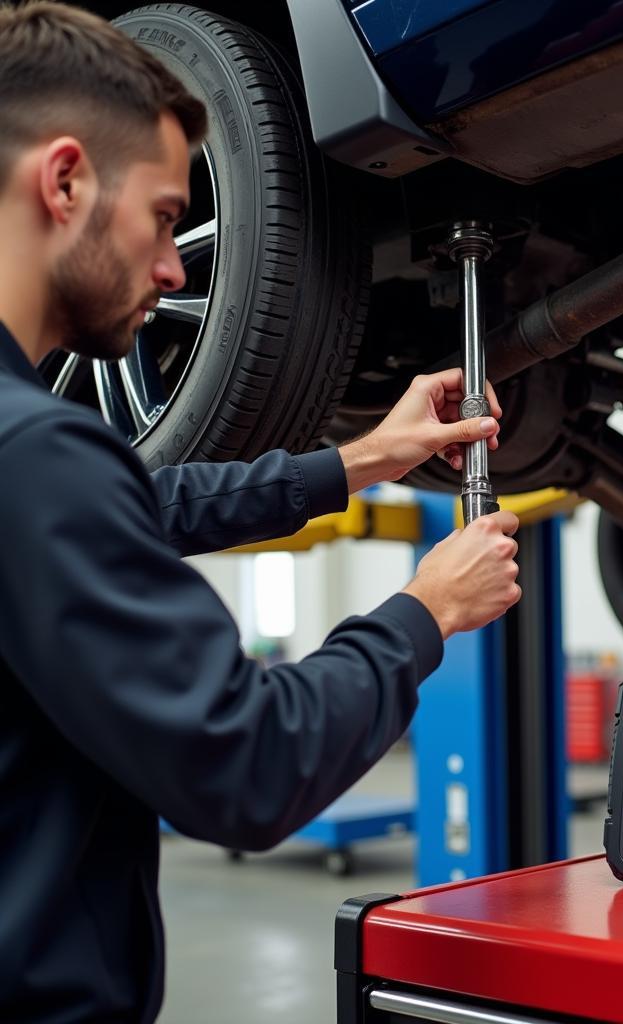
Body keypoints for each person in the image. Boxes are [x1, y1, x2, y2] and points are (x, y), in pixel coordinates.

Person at [0, 3, 521, 1021]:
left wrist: (364, 458)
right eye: (162, 215)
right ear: (64, 182)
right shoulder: (37, 453)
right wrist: (424, 613)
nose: (174, 266)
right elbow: (247, 764)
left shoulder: (28, 454)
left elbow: (141, 501)